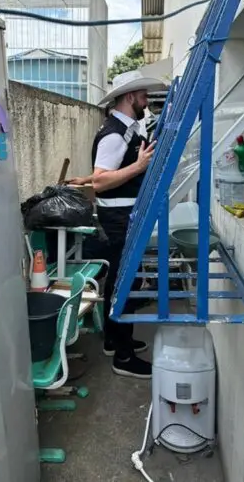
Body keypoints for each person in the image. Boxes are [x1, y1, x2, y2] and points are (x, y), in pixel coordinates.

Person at [71, 69, 164, 379]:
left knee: (118, 281)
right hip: (119, 218)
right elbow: (101, 180)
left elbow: (99, 174)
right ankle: (122, 356)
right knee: (128, 283)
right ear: (129, 97)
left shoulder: (124, 129)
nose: (146, 100)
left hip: (123, 215)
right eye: (142, 95)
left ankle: (114, 340)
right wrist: (138, 167)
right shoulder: (115, 133)